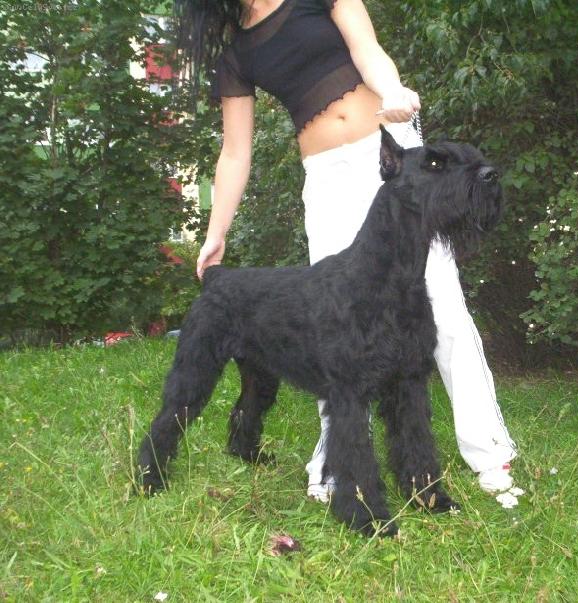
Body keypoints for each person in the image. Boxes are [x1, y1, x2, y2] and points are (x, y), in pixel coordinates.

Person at [174, 0, 518, 501]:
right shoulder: (238, 53)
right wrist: (216, 231)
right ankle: (337, 466)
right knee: (332, 326)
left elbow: (367, 50)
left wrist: (392, 90)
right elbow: (235, 151)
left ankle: (489, 452)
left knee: (442, 308)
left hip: (392, 156)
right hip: (326, 176)